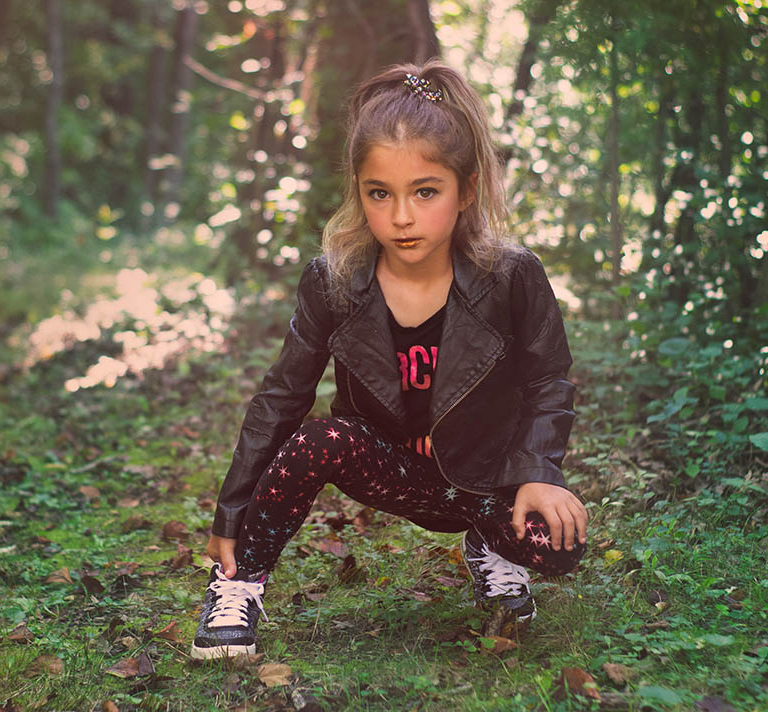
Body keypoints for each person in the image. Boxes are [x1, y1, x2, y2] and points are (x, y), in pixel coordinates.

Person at [191, 59, 587, 659]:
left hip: (486, 475)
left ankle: (490, 547)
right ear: (359, 192)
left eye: (425, 192)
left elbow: (547, 381)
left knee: (559, 543)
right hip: (391, 468)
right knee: (317, 439)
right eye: (380, 193)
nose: (401, 217)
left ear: (466, 189)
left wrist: (538, 472)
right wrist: (232, 513)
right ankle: (238, 583)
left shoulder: (511, 276)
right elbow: (282, 396)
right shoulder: (334, 281)